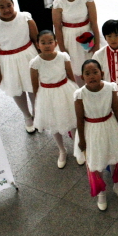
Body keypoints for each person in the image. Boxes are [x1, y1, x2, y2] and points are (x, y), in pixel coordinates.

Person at [75, 60, 118, 211]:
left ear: (102, 73)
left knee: (114, 156)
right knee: (96, 160)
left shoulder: (110, 88)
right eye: (87, 74)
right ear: (82, 77)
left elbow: (117, 110)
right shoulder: (80, 94)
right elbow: (79, 119)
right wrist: (82, 139)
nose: (92, 76)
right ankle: (101, 192)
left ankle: (117, 186)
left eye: (95, 72)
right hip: (91, 130)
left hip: (110, 126)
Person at [0, 0, 38, 133]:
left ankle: (36, 112)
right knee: (16, 89)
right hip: (8, 61)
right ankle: (27, 116)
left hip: (28, 56)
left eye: (9, 5)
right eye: (2, 7)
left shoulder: (25, 18)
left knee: (32, 86)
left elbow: (36, 40)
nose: (6, 10)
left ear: (13, 4)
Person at [29, 30, 79, 169]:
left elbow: (71, 76)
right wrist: (38, 103)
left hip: (65, 89)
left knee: (72, 119)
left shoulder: (63, 56)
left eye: (50, 42)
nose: (47, 45)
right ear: (38, 45)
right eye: (43, 43)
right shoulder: (35, 63)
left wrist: (77, 92)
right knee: (54, 122)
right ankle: (62, 150)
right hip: (47, 94)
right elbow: (35, 85)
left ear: (55, 43)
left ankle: (77, 147)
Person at [52, 0, 100, 85]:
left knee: (91, 65)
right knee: (75, 68)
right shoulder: (58, 2)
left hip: (87, 34)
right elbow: (57, 28)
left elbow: (94, 22)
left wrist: (97, 43)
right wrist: (62, 49)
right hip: (69, 39)